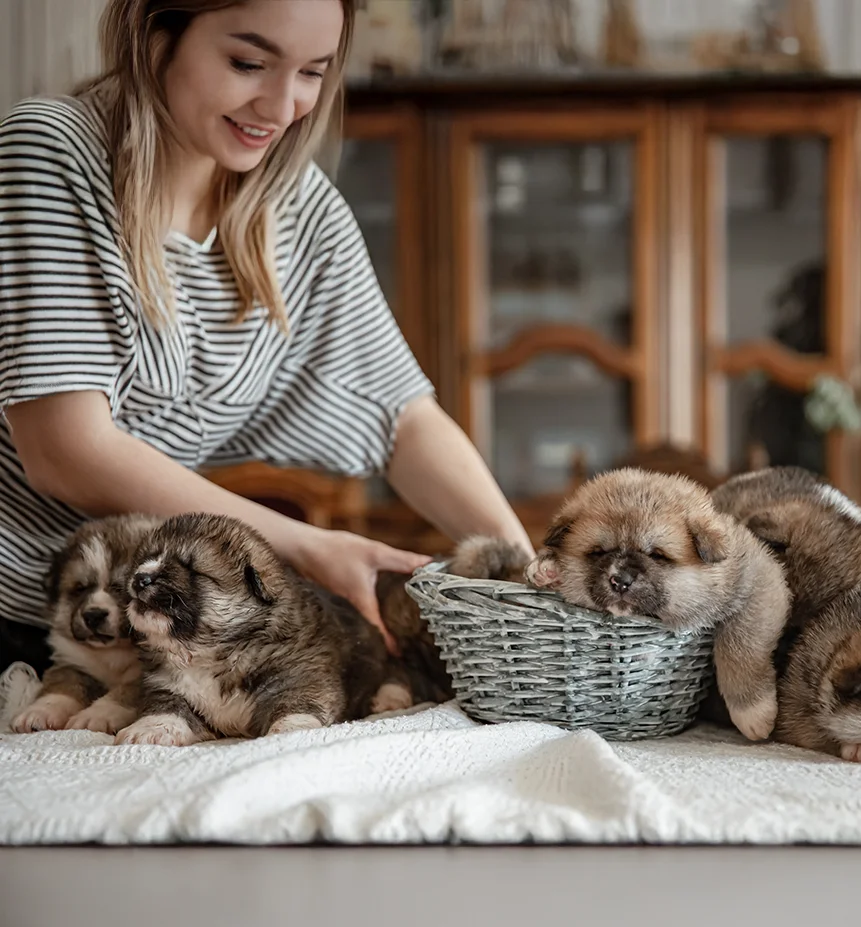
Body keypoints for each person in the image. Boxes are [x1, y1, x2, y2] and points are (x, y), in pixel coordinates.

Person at [0, 0, 533, 674]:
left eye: (312, 73)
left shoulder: (299, 209)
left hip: (146, 628)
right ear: (156, 33)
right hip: (21, 618)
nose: (282, 108)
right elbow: (65, 449)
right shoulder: (51, 149)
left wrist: (529, 575)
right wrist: (306, 545)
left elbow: (403, 417)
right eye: (248, 63)